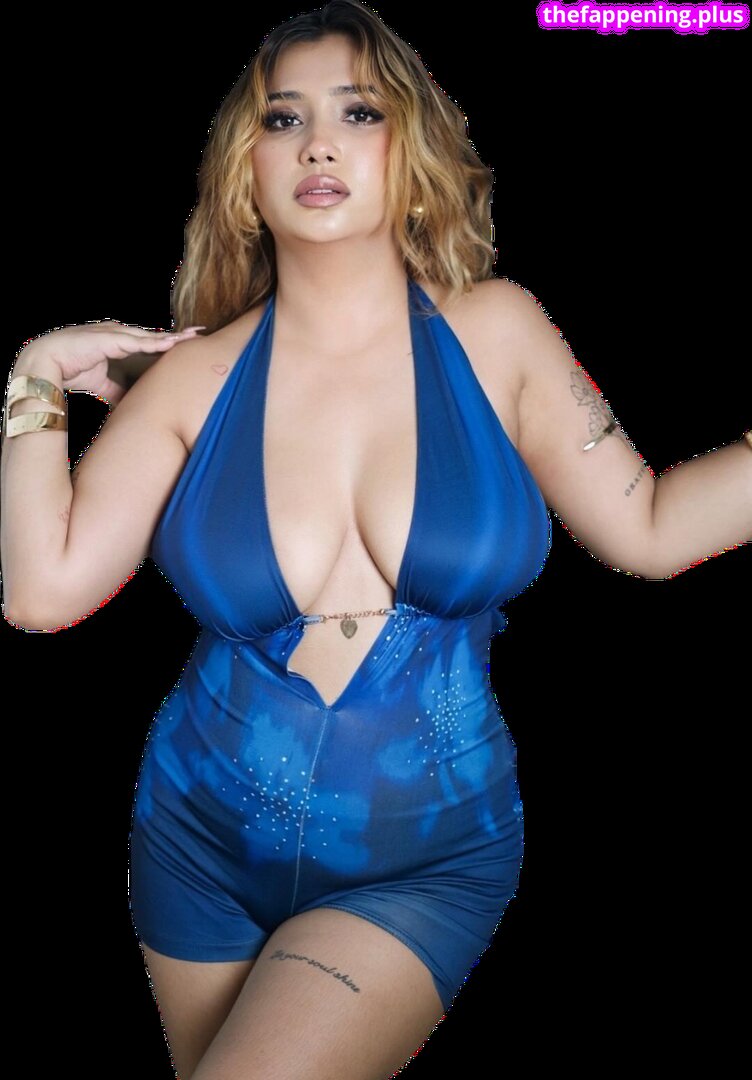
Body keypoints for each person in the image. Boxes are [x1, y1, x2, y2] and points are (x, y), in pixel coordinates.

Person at [2, 2, 750, 1078]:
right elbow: (43, 593)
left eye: (357, 112)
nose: (318, 143)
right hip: (196, 849)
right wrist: (34, 378)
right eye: (283, 119)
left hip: (425, 861)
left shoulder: (496, 332)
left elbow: (653, 527)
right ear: (246, 175)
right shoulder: (192, 381)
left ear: (412, 152)